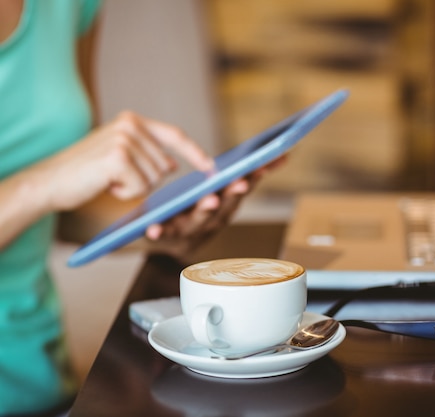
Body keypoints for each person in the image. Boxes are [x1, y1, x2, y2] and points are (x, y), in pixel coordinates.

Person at [0, 1, 274, 414]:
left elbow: (67, 204)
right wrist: (39, 185)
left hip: (45, 382)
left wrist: (158, 223)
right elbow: (52, 185)